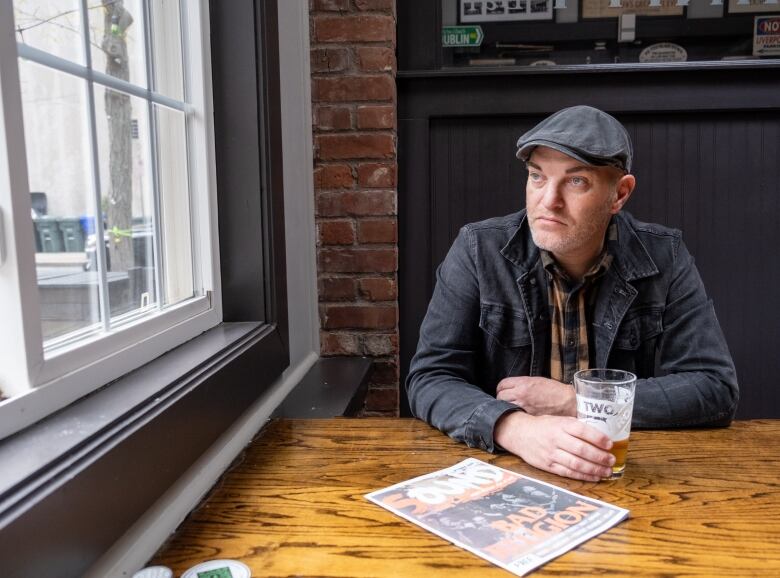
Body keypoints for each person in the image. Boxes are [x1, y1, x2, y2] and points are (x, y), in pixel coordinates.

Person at [406, 105, 738, 482]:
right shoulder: (478, 250)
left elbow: (715, 388)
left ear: (620, 194)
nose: (549, 201)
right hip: (505, 473)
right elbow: (430, 377)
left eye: (576, 181)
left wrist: (574, 401)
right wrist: (514, 428)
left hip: (622, 474)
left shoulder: (664, 256)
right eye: (537, 177)